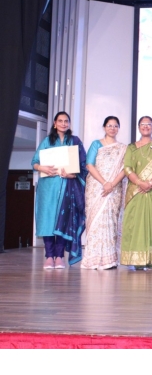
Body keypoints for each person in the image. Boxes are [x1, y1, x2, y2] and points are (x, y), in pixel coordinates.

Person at [32, 111, 87, 269]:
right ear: (54, 123)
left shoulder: (74, 141)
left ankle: (59, 256)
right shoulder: (47, 141)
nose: (63, 123)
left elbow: (83, 165)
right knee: (47, 221)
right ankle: (49, 256)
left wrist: (73, 174)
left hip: (67, 188)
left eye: (66, 121)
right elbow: (34, 162)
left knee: (63, 221)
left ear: (69, 124)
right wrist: (41, 167)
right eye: (60, 121)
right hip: (48, 188)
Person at [120, 116, 152, 270]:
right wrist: (140, 183)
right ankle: (137, 260)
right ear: (139, 127)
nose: (146, 126)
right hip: (136, 190)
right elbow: (127, 168)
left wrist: (151, 183)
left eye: (149, 124)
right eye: (143, 124)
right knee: (135, 224)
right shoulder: (131, 147)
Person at [81, 116, 127, 270]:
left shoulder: (123, 148)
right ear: (104, 127)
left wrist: (112, 184)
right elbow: (89, 165)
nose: (112, 128)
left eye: (115, 126)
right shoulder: (96, 144)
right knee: (95, 221)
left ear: (118, 128)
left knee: (111, 221)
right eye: (109, 125)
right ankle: (93, 259)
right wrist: (104, 183)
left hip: (114, 189)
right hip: (97, 187)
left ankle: (110, 259)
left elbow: (124, 169)